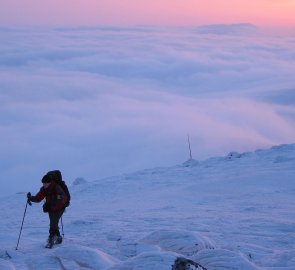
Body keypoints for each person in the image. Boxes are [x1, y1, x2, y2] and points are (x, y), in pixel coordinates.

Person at [27, 172, 69, 248]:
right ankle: (58, 238)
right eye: (43, 183)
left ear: (50, 182)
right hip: (51, 209)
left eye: (45, 183)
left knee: (53, 224)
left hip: (59, 208)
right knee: (54, 223)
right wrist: (30, 198)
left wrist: (55, 207)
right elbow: (38, 198)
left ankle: (50, 241)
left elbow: (62, 199)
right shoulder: (44, 189)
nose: (44, 185)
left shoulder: (57, 187)